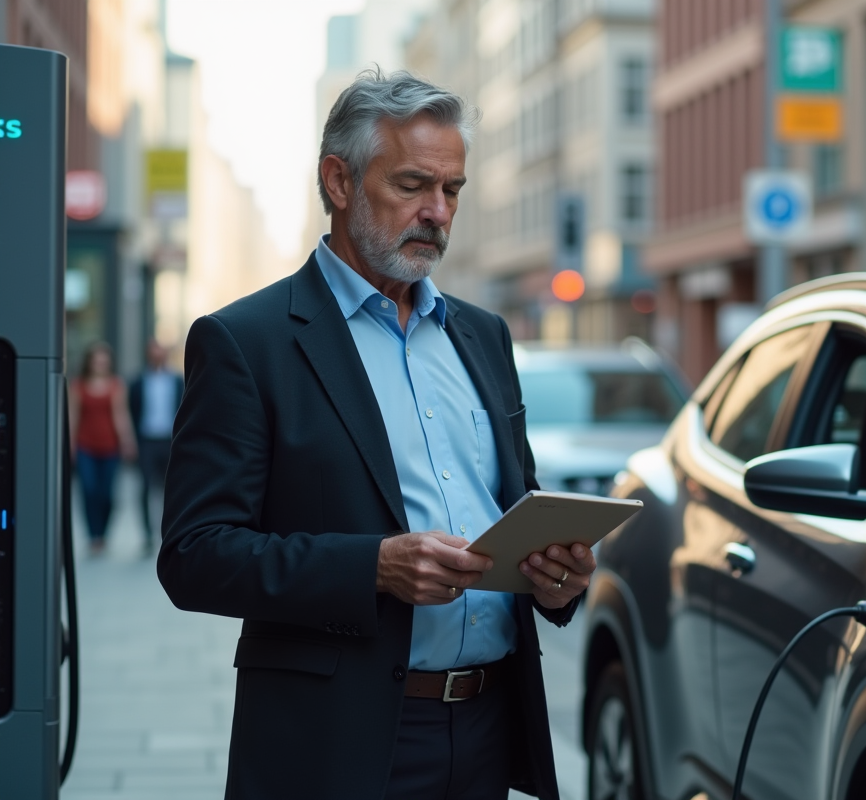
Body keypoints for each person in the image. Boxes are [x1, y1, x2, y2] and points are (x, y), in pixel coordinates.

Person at [158, 69, 596, 800]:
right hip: (338, 743)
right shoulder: (247, 342)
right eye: (413, 185)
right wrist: (374, 568)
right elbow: (194, 555)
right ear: (338, 180)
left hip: (488, 730)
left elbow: (510, 507)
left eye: (452, 190)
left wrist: (556, 578)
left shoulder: (483, 336)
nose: (437, 212)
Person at [69, 342, 137, 556]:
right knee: (88, 490)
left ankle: (104, 533)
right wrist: (70, 444)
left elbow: (121, 415)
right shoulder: (78, 385)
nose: (100, 364)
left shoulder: (116, 385)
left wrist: (127, 441)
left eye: (104, 361)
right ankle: (93, 536)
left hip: (110, 447)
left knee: (106, 493)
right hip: (85, 446)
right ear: (89, 362)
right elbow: (73, 416)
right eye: (97, 360)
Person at [128, 339, 184, 555]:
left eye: (159, 350)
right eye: (153, 351)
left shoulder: (177, 380)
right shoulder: (138, 382)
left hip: (170, 441)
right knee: (144, 487)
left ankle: (170, 530)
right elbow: (132, 411)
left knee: (171, 489)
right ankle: (147, 535)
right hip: (147, 441)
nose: (156, 354)